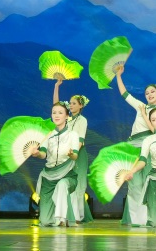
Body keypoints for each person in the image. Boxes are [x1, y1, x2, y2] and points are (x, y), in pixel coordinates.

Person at [115, 64, 156, 225]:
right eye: (147, 93)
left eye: (152, 92)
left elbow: (155, 131)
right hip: (133, 146)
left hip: (149, 147)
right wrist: (118, 75)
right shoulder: (140, 105)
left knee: (147, 183)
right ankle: (137, 219)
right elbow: (124, 94)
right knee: (134, 182)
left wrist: (144, 115)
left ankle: (149, 218)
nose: (149, 94)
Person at [33, 102, 83, 227]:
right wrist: (37, 153)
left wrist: (71, 154)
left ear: (67, 116)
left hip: (67, 175)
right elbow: (43, 154)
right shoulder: (48, 135)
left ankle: (62, 218)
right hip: (49, 177)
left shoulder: (73, 135)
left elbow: (75, 156)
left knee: (62, 185)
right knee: (45, 221)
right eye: (54, 112)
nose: (56, 115)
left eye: (60, 113)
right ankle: (54, 217)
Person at [54, 77, 93, 224]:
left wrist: (73, 153)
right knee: (66, 183)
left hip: (78, 154)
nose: (70, 105)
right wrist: (57, 86)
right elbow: (57, 107)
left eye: (74, 103)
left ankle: (77, 216)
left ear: (81, 105)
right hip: (67, 155)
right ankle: (65, 214)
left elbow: (80, 140)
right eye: (70, 103)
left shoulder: (82, 120)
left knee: (79, 184)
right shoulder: (68, 120)